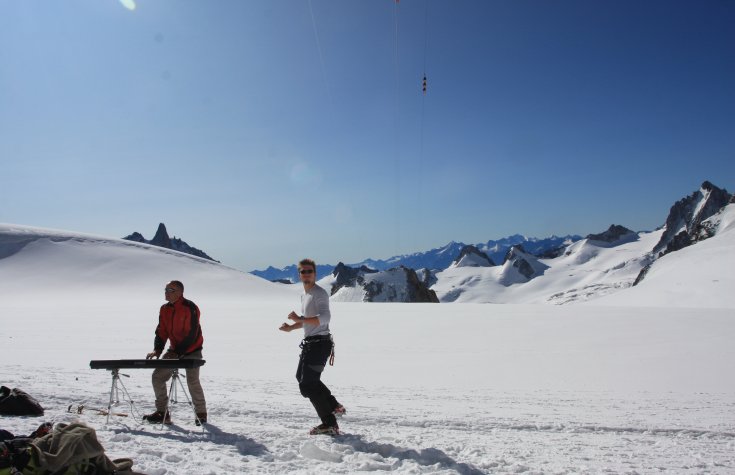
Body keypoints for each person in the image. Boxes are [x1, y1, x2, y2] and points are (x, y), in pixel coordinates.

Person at [279, 259, 345, 435]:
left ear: (315, 274)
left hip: (320, 344)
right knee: (303, 378)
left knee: (307, 385)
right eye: (303, 271)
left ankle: (330, 423)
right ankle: (333, 405)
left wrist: (299, 319)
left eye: (309, 271)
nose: (306, 274)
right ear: (299, 274)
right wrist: (291, 328)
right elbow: (309, 322)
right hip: (312, 344)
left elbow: (324, 318)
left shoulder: (319, 293)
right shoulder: (305, 295)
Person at [143, 280, 207, 425]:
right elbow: (162, 331)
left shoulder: (190, 307)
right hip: (174, 350)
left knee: (192, 381)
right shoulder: (164, 309)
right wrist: (157, 349)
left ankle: (201, 413)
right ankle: (162, 413)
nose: (166, 292)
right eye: (165, 289)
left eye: (170, 290)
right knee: (158, 377)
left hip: (192, 350)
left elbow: (192, 333)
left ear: (179, 292)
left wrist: (177, 352)